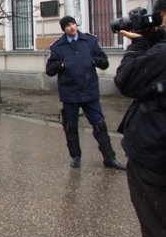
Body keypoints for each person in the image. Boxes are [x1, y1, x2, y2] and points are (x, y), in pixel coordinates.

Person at [114, 0, 166, 237]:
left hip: (155, 154)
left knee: (159, 231)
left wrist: (141, 43)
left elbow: (126, 79)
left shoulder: (159, 52)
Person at [45, 15, 126, 170]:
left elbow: (104, 62)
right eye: (68, 25)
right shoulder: (57, 47)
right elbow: (49, 70)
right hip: (70, 93)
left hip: (89, 92)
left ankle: (110, 158)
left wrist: (97, 61)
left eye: (73, 24)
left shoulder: (90, 41)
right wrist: (60, 65)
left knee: (100, 125)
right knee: (70, 126)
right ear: (64, 29)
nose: (72, 27)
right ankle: (76, 156)